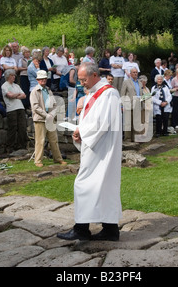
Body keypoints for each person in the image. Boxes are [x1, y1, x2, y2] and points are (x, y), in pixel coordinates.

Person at [57, 62, 122, 241]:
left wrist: (82, 131)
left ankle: (81, 229)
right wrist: (80, 132)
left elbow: (102, 122)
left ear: (94, 76)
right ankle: (110, 230)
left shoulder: (109, 93)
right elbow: (91, 120)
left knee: (84, 185)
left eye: (83, 79)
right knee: (102, 188)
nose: (81, 83)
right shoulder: (95, 94)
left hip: (103, 150)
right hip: (95, 147)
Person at [30, 70, 67, 168]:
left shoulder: (48, 90)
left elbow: (54, 105)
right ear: (38, 80)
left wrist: (51, 114)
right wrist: (46, 115)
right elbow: (35, 107)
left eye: (45, 78)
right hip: (40, 119)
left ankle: (58, 159)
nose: (43, 80)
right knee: (40, 140)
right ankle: (37, 160)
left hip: (50, 119)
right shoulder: (34, 92)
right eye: (41, 79)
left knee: (54, 140)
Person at [1, 69, 28, 154]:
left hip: (20, 107)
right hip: (11, 109)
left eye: (14, 76)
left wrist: (15, 96)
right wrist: (17, 95)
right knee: (12, 128)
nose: (14, 77)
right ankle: (10, 147)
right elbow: (10, 95)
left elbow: (24, 95)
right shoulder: (4, 85)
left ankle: (22, 145)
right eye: (12, 75)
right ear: (8, 76)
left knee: (22, 127)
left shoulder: (16, 85)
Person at [121, 67, 143, 141]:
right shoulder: (126, 82)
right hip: (128, 104)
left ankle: (135, 138)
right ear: (130, 74)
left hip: (137, 104)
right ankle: (128, 139)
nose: (135, 73)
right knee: (128, 123)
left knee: (136, 122)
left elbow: (141, 94)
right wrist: (122, 105)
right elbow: (122, 94)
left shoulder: (140, 83)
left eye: (136, 72)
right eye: (133, 72)